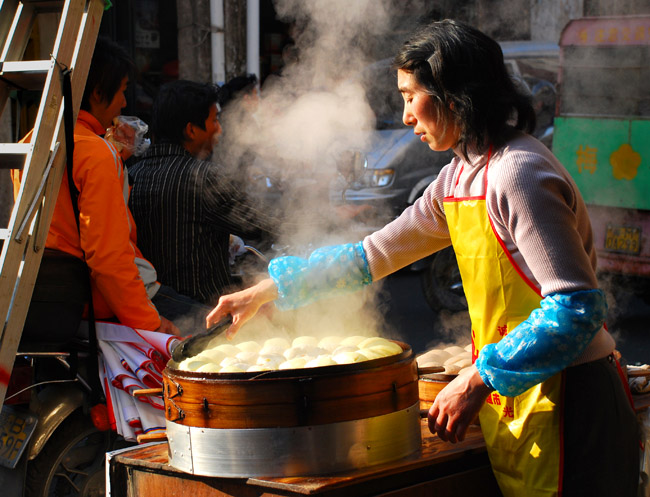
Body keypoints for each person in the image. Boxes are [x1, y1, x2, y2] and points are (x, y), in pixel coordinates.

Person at [205, 19, 639, 497]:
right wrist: (273, 287)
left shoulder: (519, 172)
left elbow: (576, 308)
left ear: (455, 94)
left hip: (575, 400)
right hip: (521, 399)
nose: (406, 115)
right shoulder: (458, 177)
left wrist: (479, 376)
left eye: (411, 96)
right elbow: (373, 254)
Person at [128, 80, 276, 307]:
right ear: (191, 130)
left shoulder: (132, 173)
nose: (220, 129)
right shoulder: (204, 177)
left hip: (150, 312)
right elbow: (264, 224)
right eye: (214, 120)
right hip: (203, 314)